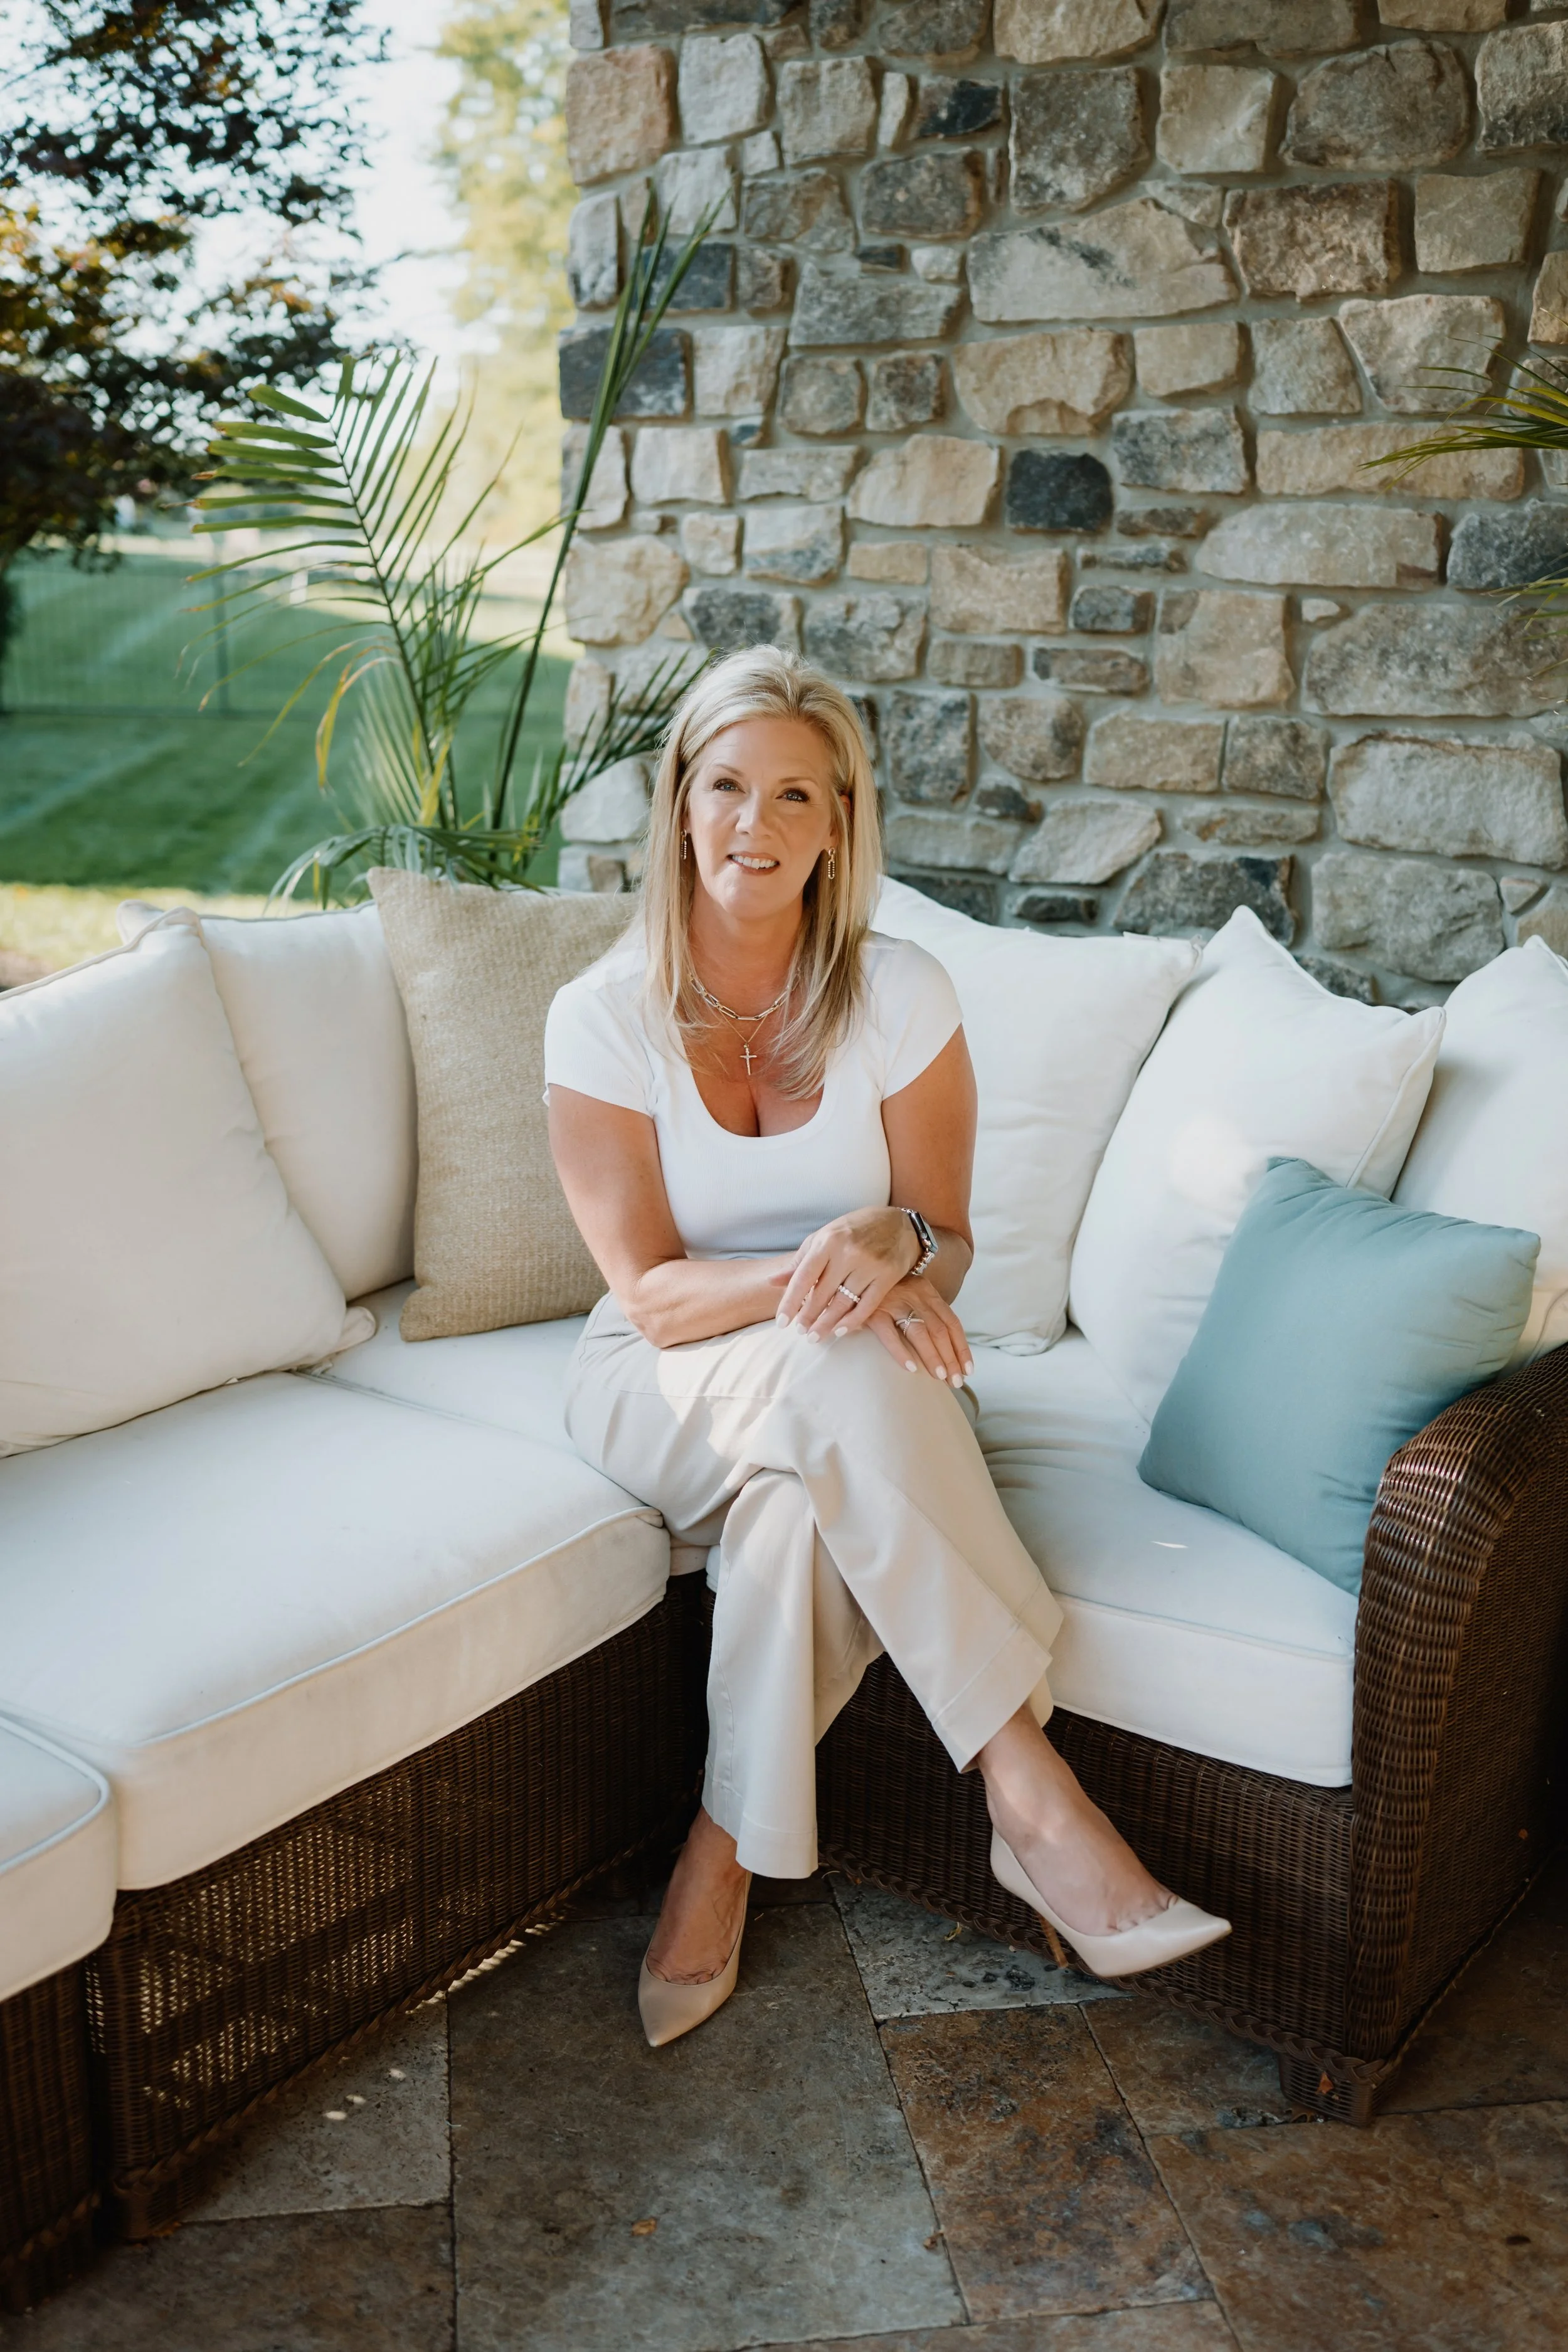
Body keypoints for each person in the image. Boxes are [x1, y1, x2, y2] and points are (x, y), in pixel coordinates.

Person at [545, 646, 1229, 2048]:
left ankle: (715, 1859)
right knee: (837, 1361)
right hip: (659, 1386)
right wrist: (832, 1265)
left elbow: (950, 1238)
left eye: (796, 794)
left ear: (841, 822)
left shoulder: (902, 992)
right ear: (678, 803)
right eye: (727, 785)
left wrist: (899, 1249)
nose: (756, 824)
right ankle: (1025, 1784)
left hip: (858, 1401)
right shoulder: (600, 1017)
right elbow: (655, 1297)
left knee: (798, 1515)